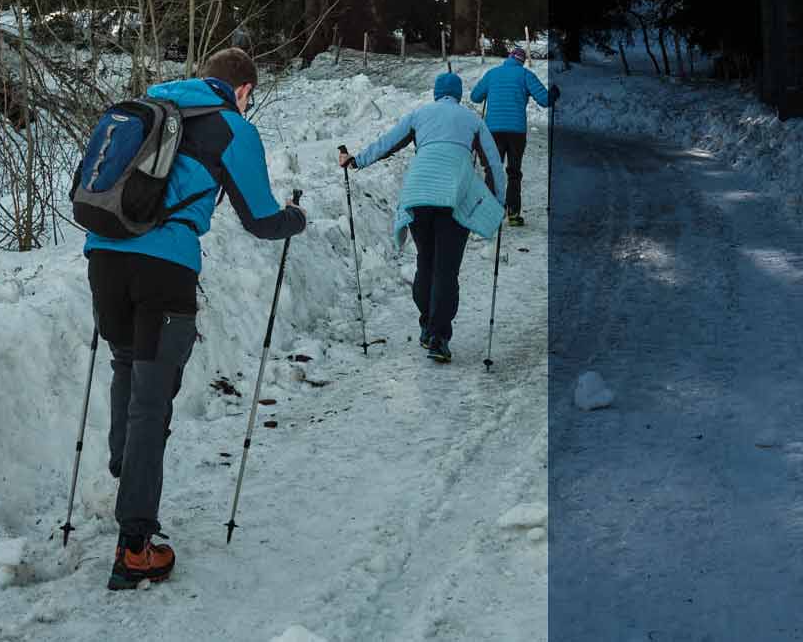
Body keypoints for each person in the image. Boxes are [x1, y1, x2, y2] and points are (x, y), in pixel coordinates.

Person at [83, 47, 306, 590]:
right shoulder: (232, 127)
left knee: (125, 365)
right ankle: (135, 546)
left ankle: (125, 470)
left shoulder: (152, 103)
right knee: (151, 405)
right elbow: (260, 218)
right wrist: (294, 220)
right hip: (166, 271)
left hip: (104, 255)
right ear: (244, 90)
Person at [339, 72, 505, 363]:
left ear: (436, 93)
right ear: (458, 93)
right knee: (446, 269)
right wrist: (498, 201)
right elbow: (493, 163)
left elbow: (388, 142)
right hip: (454, 197)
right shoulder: (472, 120)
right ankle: (439, 336)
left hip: (418, 194)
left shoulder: (420, 115)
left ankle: (427, 325)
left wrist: (357, 160)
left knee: (426, 263)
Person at [470, 43, 560, 227]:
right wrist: (553, 94)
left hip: (493, 131)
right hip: (516, 133)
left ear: (509, 58)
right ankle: (513, 213)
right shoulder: (526, 75)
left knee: (493, 170)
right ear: (522, 61)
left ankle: (490, 214)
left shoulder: (492, 74)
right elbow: (544, 101)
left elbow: (475, 97)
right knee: (514, 171)